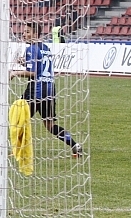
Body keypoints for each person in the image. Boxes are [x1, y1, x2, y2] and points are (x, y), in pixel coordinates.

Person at [11, 21, 82, 157]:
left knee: (19, 118)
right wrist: (24, 63)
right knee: (50, 125)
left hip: (36, 90)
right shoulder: (45, 48)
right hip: (49, 89)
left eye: (27, 32)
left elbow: (33, 73)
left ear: (35, 33)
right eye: (24, 31)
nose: (24, 34)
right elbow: (41, 67)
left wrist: (15, 73)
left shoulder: (31, 49)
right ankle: (74, 145)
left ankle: (17, 151)